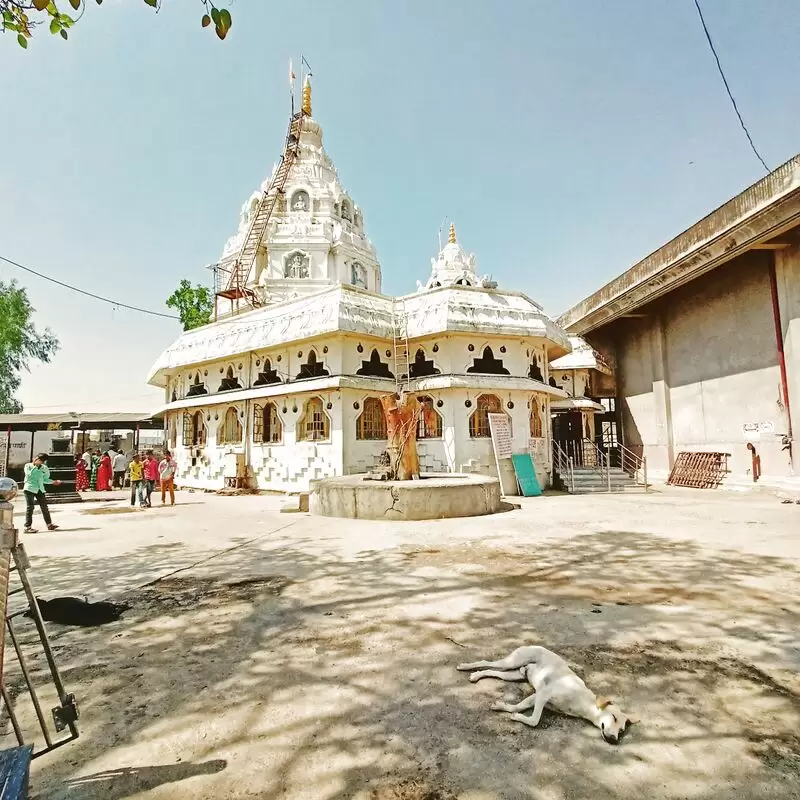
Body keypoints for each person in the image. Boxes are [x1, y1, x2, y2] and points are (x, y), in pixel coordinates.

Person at [23, 454, 61, 533]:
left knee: (44, 507)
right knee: (30, 507)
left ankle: (49, 524)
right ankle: (27, 527)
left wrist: (53, 482)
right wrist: (35, 466)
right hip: (29, 488)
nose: (38, 460)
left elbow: (45, 479)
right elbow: (29, 475)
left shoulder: (44, 468)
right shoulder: (28, 466)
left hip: (40, 489)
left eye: (40, 460)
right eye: (37, 459)